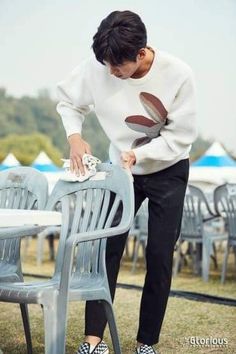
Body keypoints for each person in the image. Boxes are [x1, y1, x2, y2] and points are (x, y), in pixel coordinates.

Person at [56, 10, 197, 354]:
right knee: (108, 247)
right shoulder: (99, 66)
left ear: (141, 53)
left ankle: (146, 342)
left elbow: (181, 138)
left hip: (168, 170)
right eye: (106, 64)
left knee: (160, 254)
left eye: (117, 66)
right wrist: (75, 136)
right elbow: (68, 101)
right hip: (122, 170)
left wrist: (142, 155)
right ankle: (94, 340)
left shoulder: (178, 74)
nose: (111, 72)